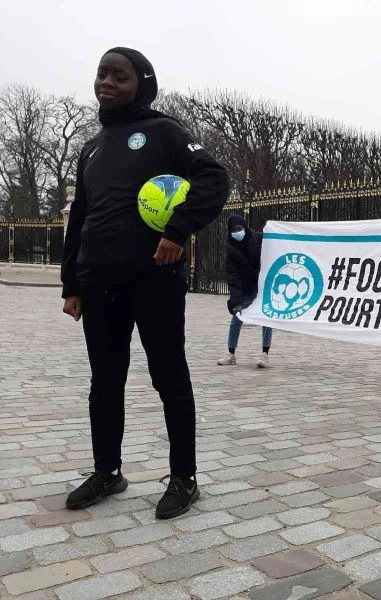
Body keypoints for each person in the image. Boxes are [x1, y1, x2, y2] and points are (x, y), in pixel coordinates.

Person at [61, 48, 229, 518]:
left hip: (154, 279)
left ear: (143, 84)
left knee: (169, 377)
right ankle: (107, 472)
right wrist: (70, 283)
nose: (107, 82)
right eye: (102, 74)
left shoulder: (164, 132)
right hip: (99, 283)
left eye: (120, 76)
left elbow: (214, 178)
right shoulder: (90, 149)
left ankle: (183, 478)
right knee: (105, 382)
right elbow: (80, 219)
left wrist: (178, 230)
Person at [217, 214, 273, 367]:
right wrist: (235, 299)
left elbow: (273, 245)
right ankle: (231, 354)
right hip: (246, 286)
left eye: (239, 228)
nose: (237, 232)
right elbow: (232, 276)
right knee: (237, 317)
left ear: (245, 227)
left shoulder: (257, 238)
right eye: (233, 230)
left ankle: (264, 354)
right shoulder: (230, 249)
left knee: (267, 319)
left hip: (263, 283)